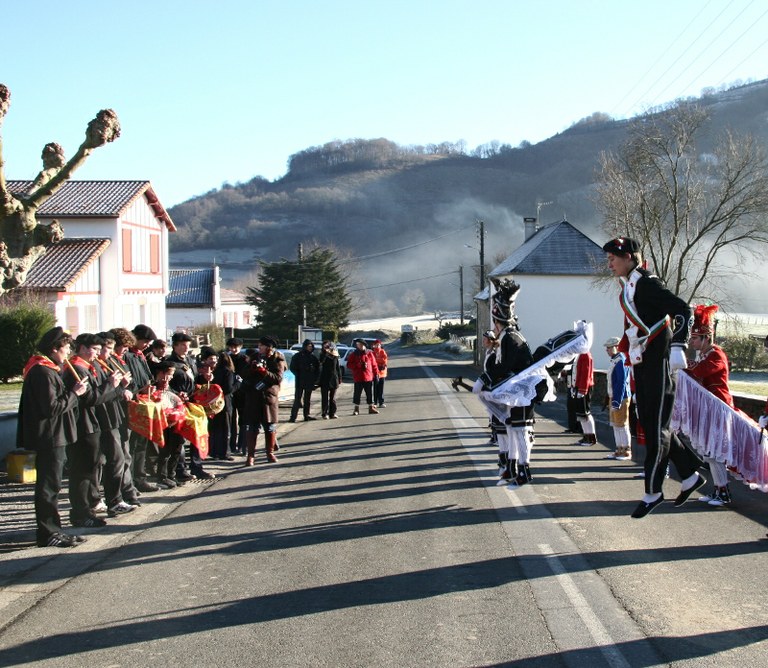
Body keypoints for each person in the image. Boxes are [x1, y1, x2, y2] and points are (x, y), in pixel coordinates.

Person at [603, 236, 704, 518]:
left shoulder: (647, 283)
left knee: (657, 428)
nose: (609, 263)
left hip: (659, 361)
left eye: (613, 258)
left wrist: (677, 346)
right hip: (644, 362)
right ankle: (690, 475)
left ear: (629, 257)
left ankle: (653, 491)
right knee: (651, 423)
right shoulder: (632, 284)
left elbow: (683, 310)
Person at [17, 327, 88, 547]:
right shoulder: (42, 372)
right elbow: (51, 408)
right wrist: (74, 393)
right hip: (49, 436)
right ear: (55, 349)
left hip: (54, 435)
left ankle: (54, 529)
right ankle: (48, 533)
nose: (67, 354)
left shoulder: (47, 369)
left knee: (53, 484)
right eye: (66, 349)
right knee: (48, 486)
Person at [63, 333, 122, 528]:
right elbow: (89, 399)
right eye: (95, 349)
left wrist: (114, 387)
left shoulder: (86, 367)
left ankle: (87, 509)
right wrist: (110, 385)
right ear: (82, 348)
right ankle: (81, 512)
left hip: (93, 424)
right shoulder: (75, 368)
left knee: (91, 469)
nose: (98, 354)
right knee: (83, 471)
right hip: (83, 425)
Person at [684, 304, 734, 507]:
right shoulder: (702, 355)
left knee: (715, 452)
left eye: (695, 338)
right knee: (708, 453)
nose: (692, 341)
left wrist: (682, 363)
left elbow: (701, 372)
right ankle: (717, 490)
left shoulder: (716, 355)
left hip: (719, 408)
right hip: (709, 408)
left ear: (706, 338)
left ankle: (723, 492)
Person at [489, 278, 536, 488]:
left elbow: (506, 367)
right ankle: (513, 471)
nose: (494, 327)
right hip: (517, 394)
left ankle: (524, 473)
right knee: (513, 431)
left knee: (520, 432)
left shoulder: (510, 336)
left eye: (494, 323)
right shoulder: (509, 335)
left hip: (523, 394)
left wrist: (488, 377)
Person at [124, 324, 160, 491]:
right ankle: (131, 481)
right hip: (133, 403)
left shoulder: (141, 355)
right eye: (144, 341)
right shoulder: (129, 356)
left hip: (143, 401)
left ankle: (140, 477)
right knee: (131, 446)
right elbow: (132, 380)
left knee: (141, 444)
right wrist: (141, 387)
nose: (146, 345)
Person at [241, 336, 285, 465]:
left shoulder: (277, 359)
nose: (259, 348)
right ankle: (250, 456)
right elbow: (243, 373)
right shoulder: (254, 357)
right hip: (253, 396)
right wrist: (252, 368)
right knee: (252, 428)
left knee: (270, 427)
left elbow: (277, 378)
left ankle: (270, 453)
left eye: (262, 345)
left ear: (269, 347)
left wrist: (264, 371)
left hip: (268, 398)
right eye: (259, 345)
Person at [603, 337, 632, 460]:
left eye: (609, 348)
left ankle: (626, 450)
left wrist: (616, 400)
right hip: (614, 396)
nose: (607, 350)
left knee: (622, 424)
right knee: (616, 424)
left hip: (621, 397)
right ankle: (619, 449)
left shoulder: (621, 361)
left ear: (616, 347)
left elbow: (621, 382)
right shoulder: (615, 360)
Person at [210, 349, 241, 459]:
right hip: (225, 402)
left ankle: (214, 451)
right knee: (226, 428)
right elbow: (228, 389)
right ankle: (225, 452)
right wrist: (238, 383)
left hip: (214, 402)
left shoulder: (215, 372)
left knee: (215, 428)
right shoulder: (228, 372)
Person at [226, 337, 248, 454]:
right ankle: (231, 445)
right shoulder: (226, 358)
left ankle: (242, 445)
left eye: (236, 347)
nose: (234, 349)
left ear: (240, 347)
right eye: (231, 347)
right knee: (231, 420)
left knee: (243, 420)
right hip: (230, 393)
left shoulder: (244, 359)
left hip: (242, 392)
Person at [346, 338, 380, 415]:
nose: (359, 346)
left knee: (369, 394)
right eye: (358, 345)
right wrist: (357, 365)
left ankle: (371, 408)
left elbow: (374, 365)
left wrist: (376, 374)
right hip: (358, 377)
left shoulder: (369, 353)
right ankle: (356, 409)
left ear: (364, 345)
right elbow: (349, 365)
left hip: (368, 377)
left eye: (361, 345)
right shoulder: (353, 354)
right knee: (357, 394)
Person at [570, 347, 597, 446]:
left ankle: (591, 438)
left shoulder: (585, 355)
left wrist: (582, 390)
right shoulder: (580, 355)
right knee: (581, 414)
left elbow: (586, 374)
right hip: (578, 387)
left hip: (584, 388)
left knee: (585, 413)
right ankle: (586, 436)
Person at [289, 339, 320, 422]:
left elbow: (317, 369)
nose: (309, 348)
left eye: (311, 346)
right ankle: (293, 417)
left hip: (309, 380)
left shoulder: (313, 357)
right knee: (297, 399)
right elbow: (292, 367)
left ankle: (306, 415)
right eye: (308, 346)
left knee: (307, 399)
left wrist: (315, 379)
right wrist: (299, 373)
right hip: (300, 380)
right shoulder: (298, 356)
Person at [318, 340, 342, 419]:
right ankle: (324, 413)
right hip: (324, 378)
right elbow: (321, 362)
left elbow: (337, 368)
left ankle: (332, 413)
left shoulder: (335, 355)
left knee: (333, 398)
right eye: (325, 346)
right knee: (324, 397)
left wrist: (339, 378)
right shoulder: (322, 355)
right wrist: (325, 354)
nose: (326, 348)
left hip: (333, 378)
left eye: (328, 346)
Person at [371, 339, 388, 408]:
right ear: (374, 345)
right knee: (375, 388)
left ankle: (381, 402)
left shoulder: (382, 352)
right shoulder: (372, 353)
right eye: (376, 345)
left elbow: (385, 360)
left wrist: (380, 363)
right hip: (375, 372)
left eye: (379, 345)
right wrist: (378, 363)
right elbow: (372, 362)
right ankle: (375, 402)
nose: (377, 346)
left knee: (381, 388)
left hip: (382, 373)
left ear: (380, 345)